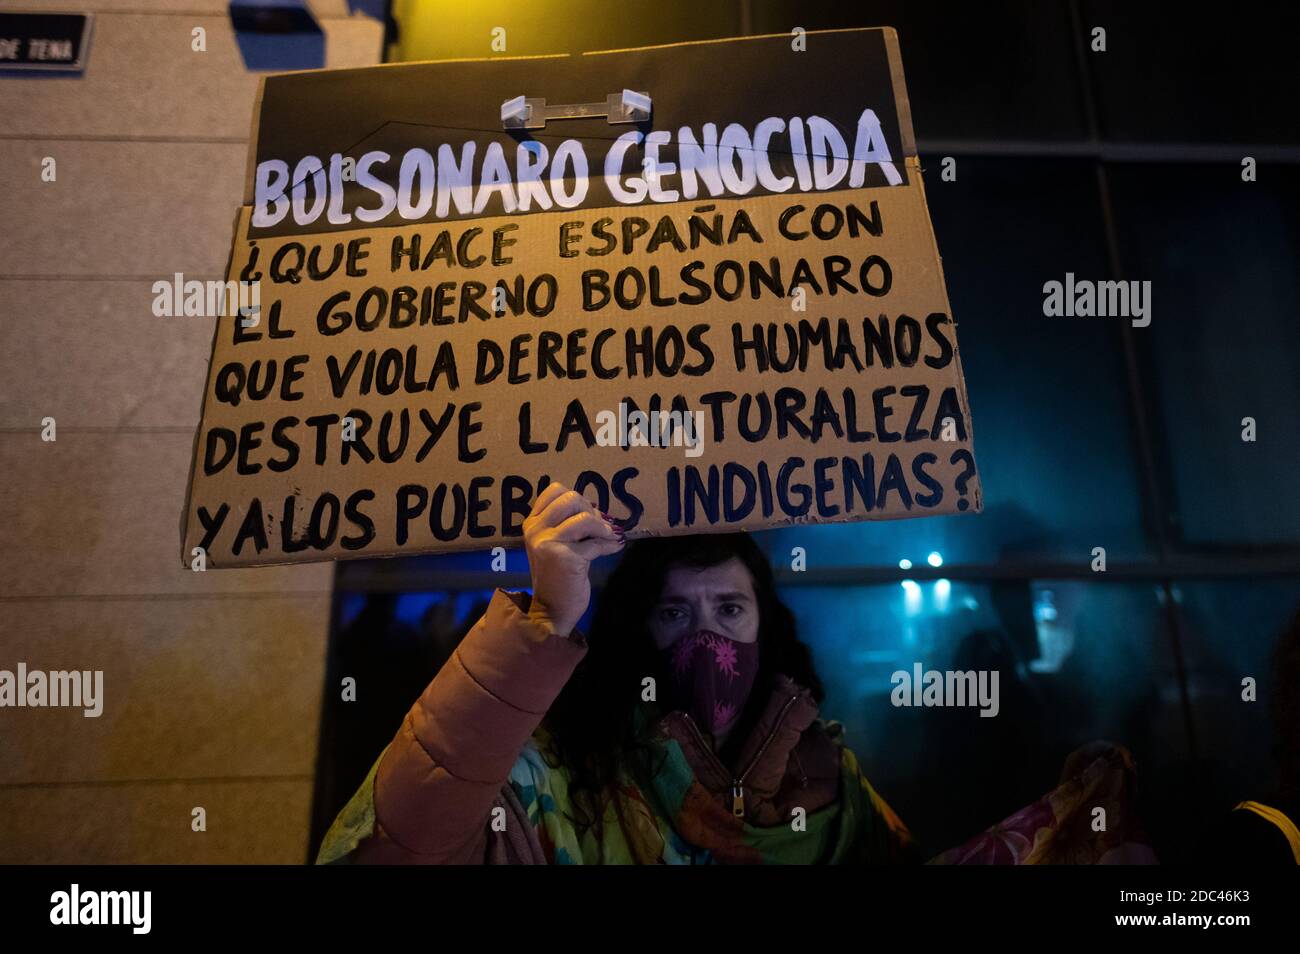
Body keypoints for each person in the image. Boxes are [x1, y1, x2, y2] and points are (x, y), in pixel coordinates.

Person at [317, 481, 918, 864]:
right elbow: (404, 848)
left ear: (767, 624)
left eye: (730, 608)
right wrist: (547, 620)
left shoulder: (829, 783)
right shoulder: (561, 777)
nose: (705, 639)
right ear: (641, 630)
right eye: (675, 612)